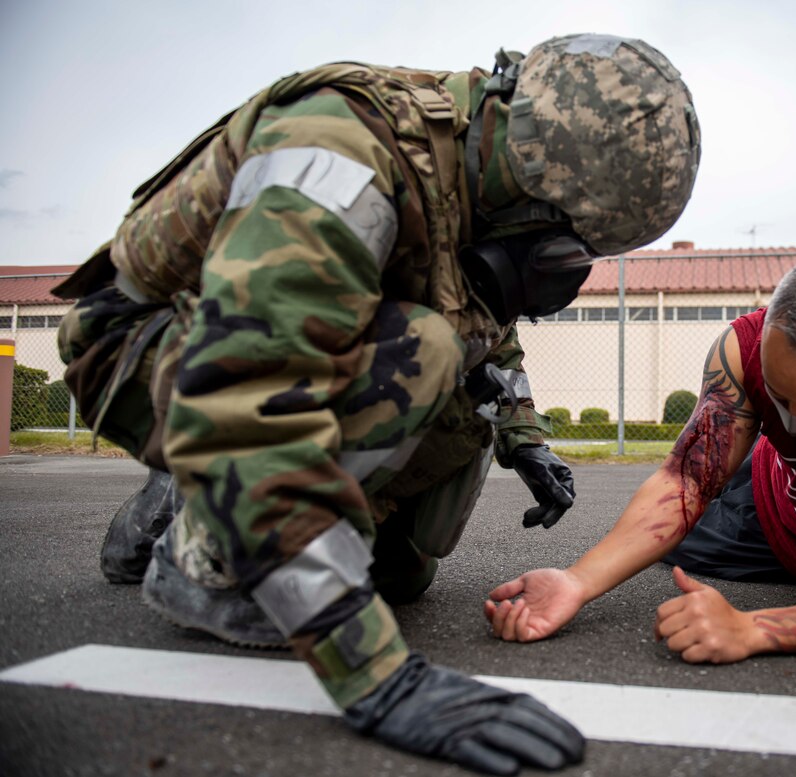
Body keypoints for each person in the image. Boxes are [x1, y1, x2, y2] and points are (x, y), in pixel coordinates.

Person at [54, 34, 700, 776]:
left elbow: (489, 330)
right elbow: (248, 404)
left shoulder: (480, 176)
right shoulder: (340, 156)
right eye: (563, 240)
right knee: (422, 352)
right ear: (532, 178)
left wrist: (525, 438)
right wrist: (377, 676)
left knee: (403, 570)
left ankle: (194, 496)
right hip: (152, 353)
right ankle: (208, 555)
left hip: (263, 358)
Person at [485, 253, 796, 665]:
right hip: (766, 505)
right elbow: (686, 480)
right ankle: (749, 464)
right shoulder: (741, 347)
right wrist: (576, 580)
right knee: (674, 533)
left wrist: (751, 628)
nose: (792, 421)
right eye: (779, 397)